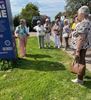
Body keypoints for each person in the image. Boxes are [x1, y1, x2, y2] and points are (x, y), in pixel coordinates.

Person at [71, 6, 91, 84]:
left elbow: (81, 38)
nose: (78, 15)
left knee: (80, 61)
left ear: (82, 13)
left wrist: (77, 51)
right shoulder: (87, 21)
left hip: (81, 46)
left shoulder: (84, 23)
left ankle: (79, 79)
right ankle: (82, 75)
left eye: (78, 13)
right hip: (84, 45)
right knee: (82, 60)